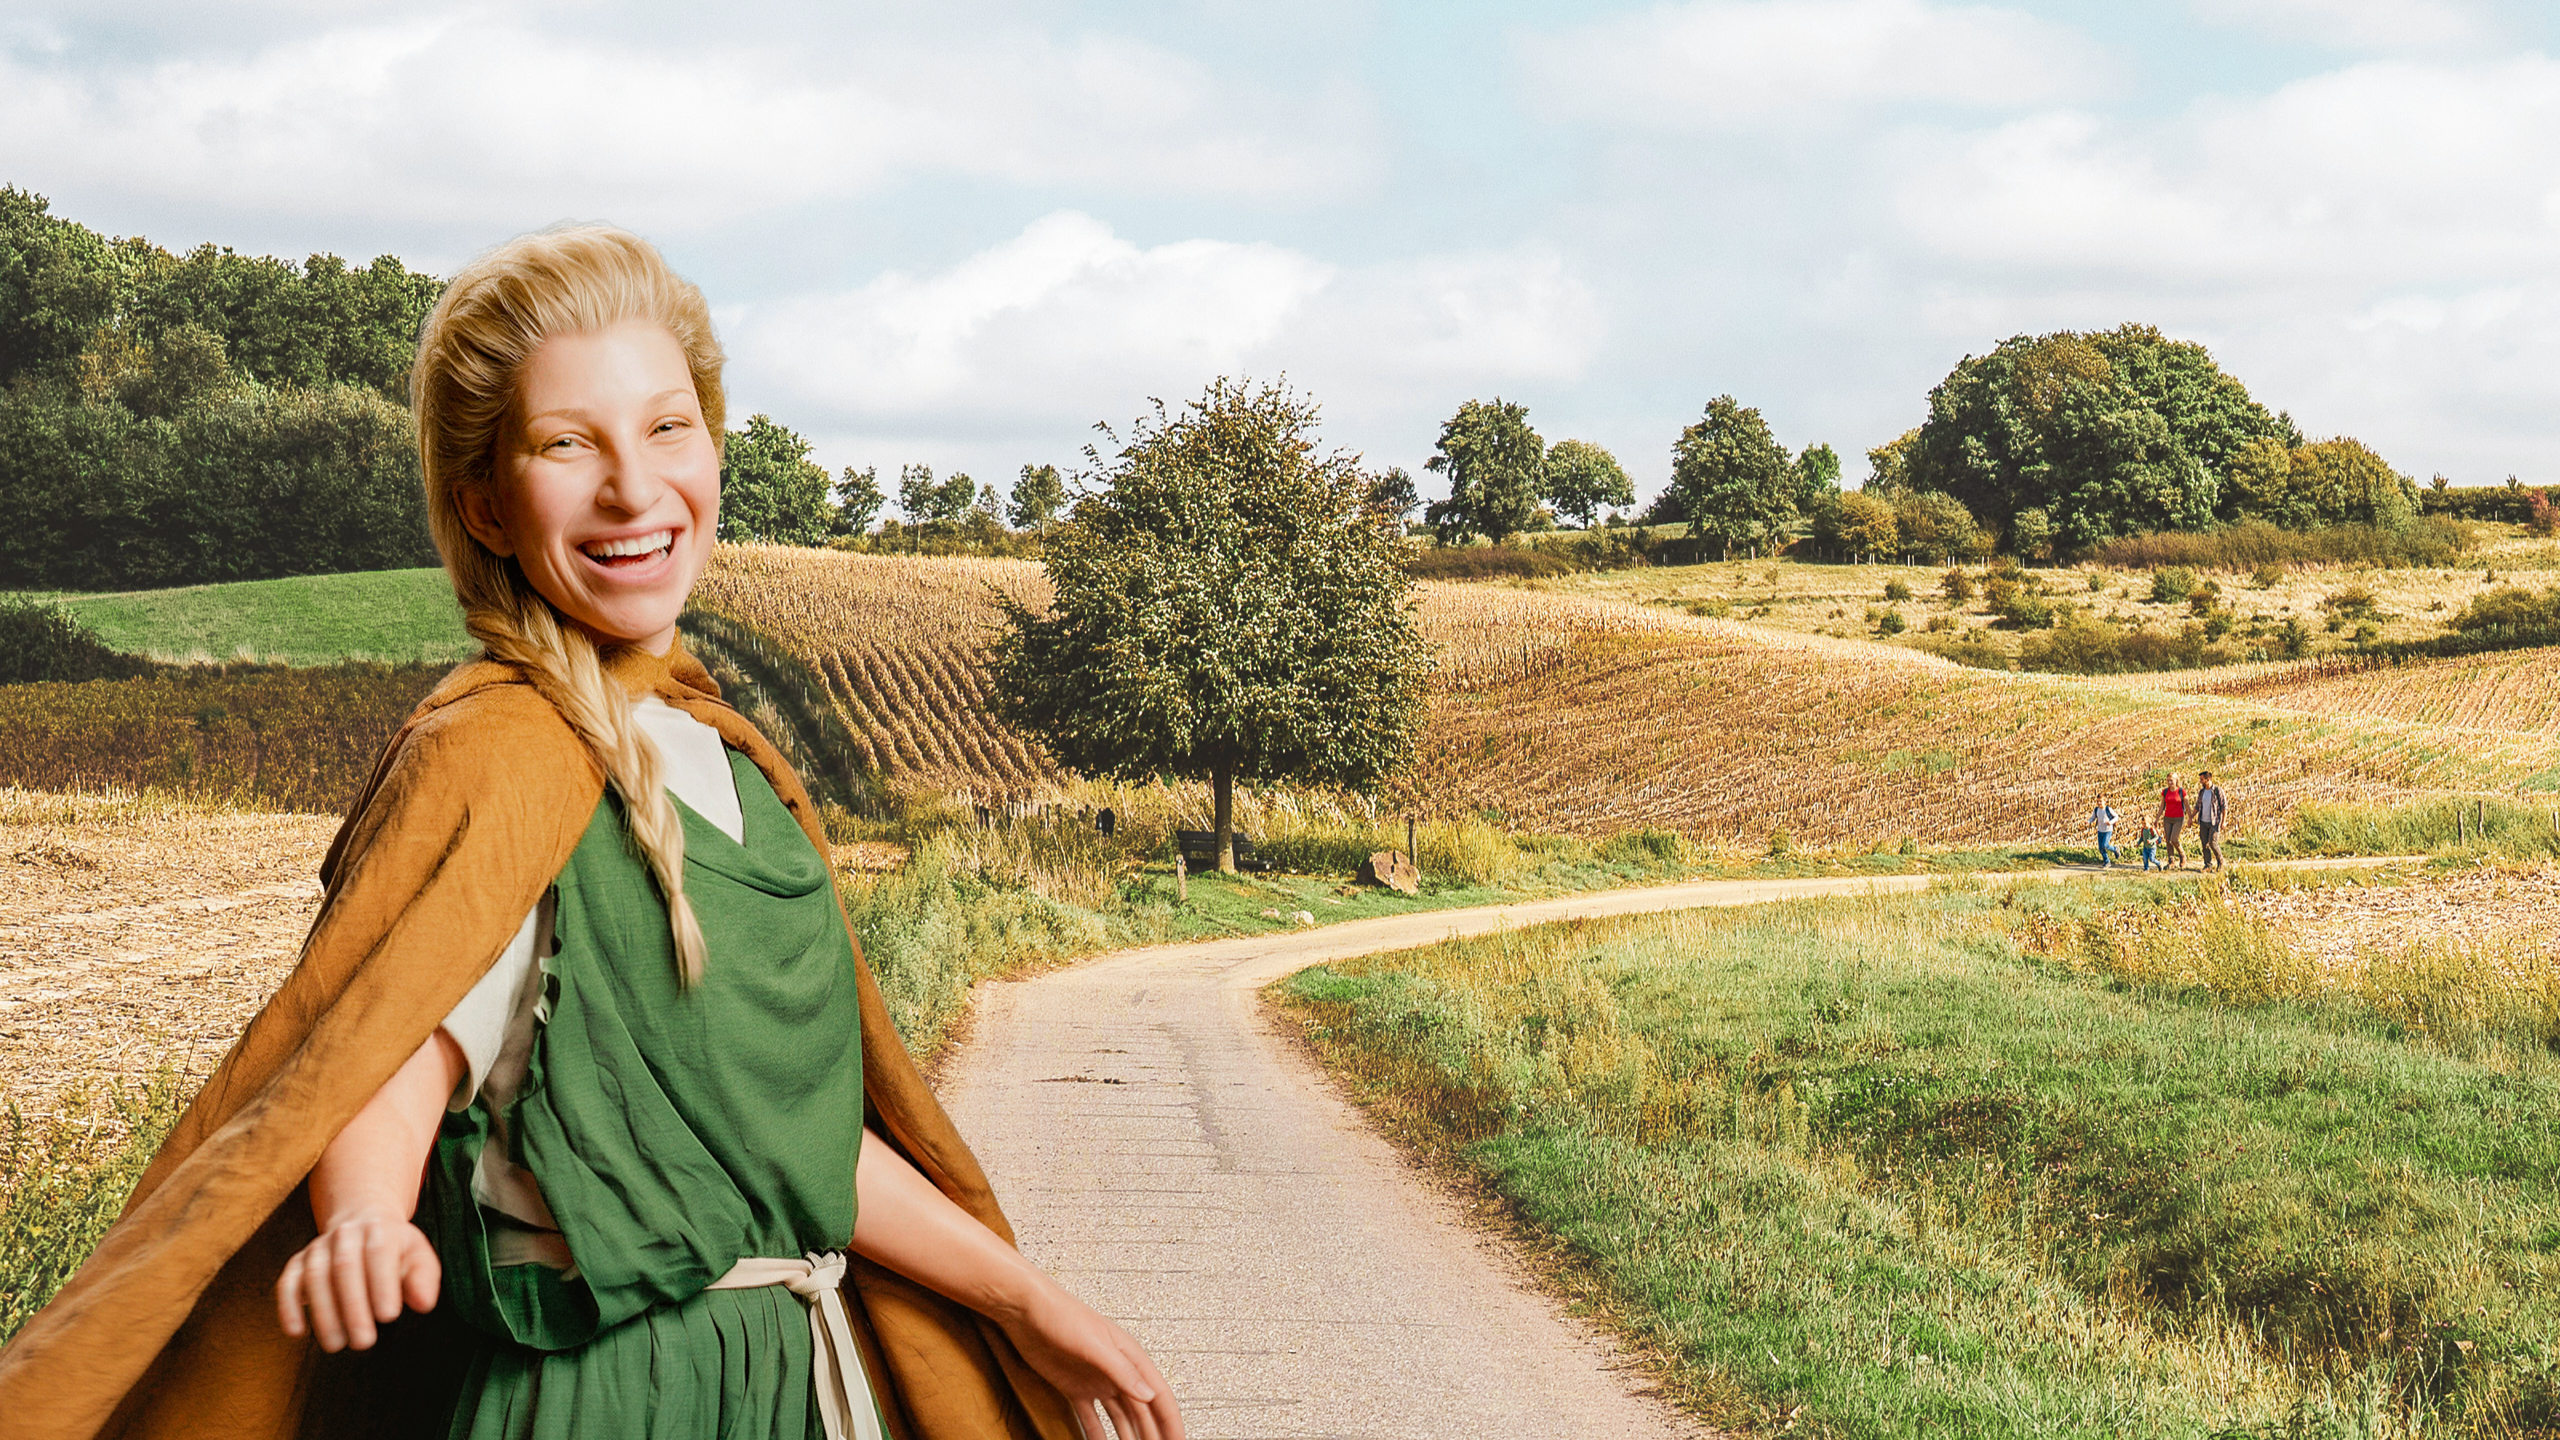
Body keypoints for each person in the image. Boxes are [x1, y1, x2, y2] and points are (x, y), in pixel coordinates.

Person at [0, 227, 1182, 1440]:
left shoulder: (732, 764)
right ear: (486, 507)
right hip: (607, 1396)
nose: (632, 487)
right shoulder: (492, 756)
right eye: (568, 445)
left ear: (714, 447)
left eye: (667, 428)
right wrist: (364, 1215)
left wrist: (1026, 1296)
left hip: (796, 1383)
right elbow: (387, 1051)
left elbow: (791, 1155)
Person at [2195, 770, 2227, 870]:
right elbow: (2197, 806)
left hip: (2214, 821)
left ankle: (2220, 861)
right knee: (2204, 844)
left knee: (2213, 843)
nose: (2200, 781)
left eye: (2202, 779)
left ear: (2208, 779)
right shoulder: (2202, 792)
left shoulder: (2217, 790)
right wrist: (2191, 817)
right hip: (2203, 821)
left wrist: (2224, 821)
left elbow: (2224, 806)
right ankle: (2208, 865)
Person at [2160, 774, 2188, 869]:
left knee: (2174, 839)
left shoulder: (2181, 791)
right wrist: (2157, 818)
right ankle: (2171, 861)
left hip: (2178, 818)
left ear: (2176, 780)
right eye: (2168, 780)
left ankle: (2182, 855)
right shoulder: (2165, 791)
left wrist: (2191, 817)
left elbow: (2187, 805)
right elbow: (2161, 806)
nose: (2169, 782)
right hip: (2167, 818)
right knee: (2168, 840)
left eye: (2171, 780)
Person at [2092, 797, 2119, 867]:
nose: (2099, 803)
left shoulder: (2108, 809)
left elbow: (2116, 817)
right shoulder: (2096, 810)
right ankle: (2107, 862)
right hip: (2100, 830)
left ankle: (2115, 849)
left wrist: (2110, 822)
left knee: (2105, 845)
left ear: (2105, 801)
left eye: (2100, 801)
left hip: (2108, 830)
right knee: (2101, 848)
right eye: (2097, 801)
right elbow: (2093, 817)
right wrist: (2088, 822)